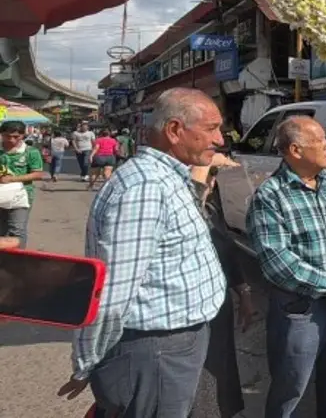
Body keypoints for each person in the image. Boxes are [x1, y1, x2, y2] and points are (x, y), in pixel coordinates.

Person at [60, 88, 228, 417]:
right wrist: (88, 361)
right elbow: (112, 290)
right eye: (211, 129)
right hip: (154, 349)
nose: (220, 139)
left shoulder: (167, 177)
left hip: (170, 345)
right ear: (175, 130)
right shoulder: (145, 187)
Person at [246, 115, 326, 418]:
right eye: (320, 140)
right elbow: (276, 261)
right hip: (301, 309)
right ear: (295, 150)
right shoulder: (271, 195)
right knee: (291, 387)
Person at [190, 154, 255, 418]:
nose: (213, 183)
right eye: (210, 177)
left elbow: (226, 251)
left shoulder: (211, 211)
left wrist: (244, 292)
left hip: (218, 307)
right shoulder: (183, 207)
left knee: (220, 378)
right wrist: (202, 167)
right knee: (199, 385)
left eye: (214, 177)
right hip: (192, 312)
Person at [0, 121, 46, 249]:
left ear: (22, 135)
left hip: (21, 197)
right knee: (1, 231)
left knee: (17, 230)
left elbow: (37, 174)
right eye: (7, 136)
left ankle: (19, 260)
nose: (11, 140)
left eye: (16, 136)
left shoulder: (30, 152)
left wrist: (12, 179)